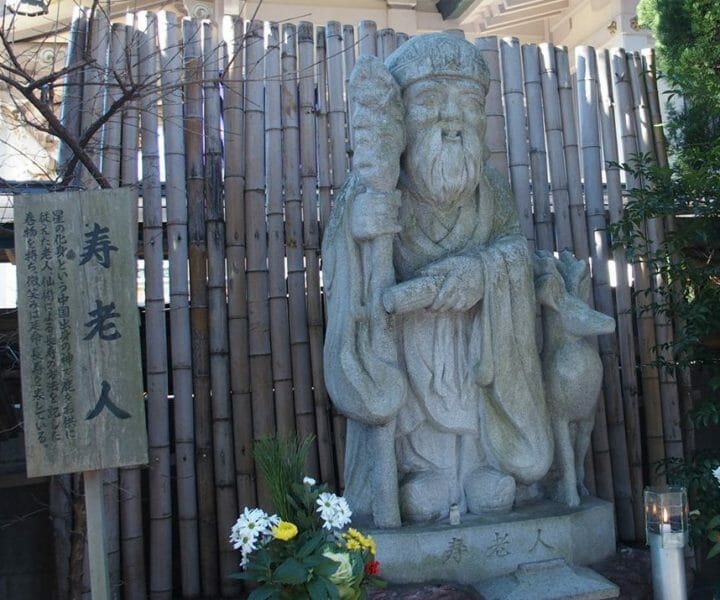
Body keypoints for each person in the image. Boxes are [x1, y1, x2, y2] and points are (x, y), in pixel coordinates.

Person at [323, 32, 553, 527]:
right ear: (401, 118)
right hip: (408, 351)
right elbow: (344, 279)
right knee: (412, 421)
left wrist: (485, 273)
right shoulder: (372, 189)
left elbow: (514, 249)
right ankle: (416, 471)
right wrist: (360, 232)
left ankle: (480, 465)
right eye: (431, 101)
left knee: (478, 415)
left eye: (467, 104)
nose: (453, 121)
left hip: (475, 348)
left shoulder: (490, 191)